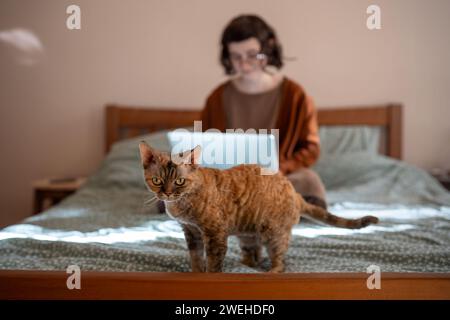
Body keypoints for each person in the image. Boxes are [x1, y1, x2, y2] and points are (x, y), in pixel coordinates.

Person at [201, 14, 327, 209]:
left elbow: (311, 149)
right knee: (183, 181)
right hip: (228, 180)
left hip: (278, 178)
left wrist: (280, 168)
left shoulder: (295, 96)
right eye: (236, 57)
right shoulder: (216, 98)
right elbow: (204, 146)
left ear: (268, 47)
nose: (244, 64)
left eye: (252, 55)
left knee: (309, 181)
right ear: (227, 56)